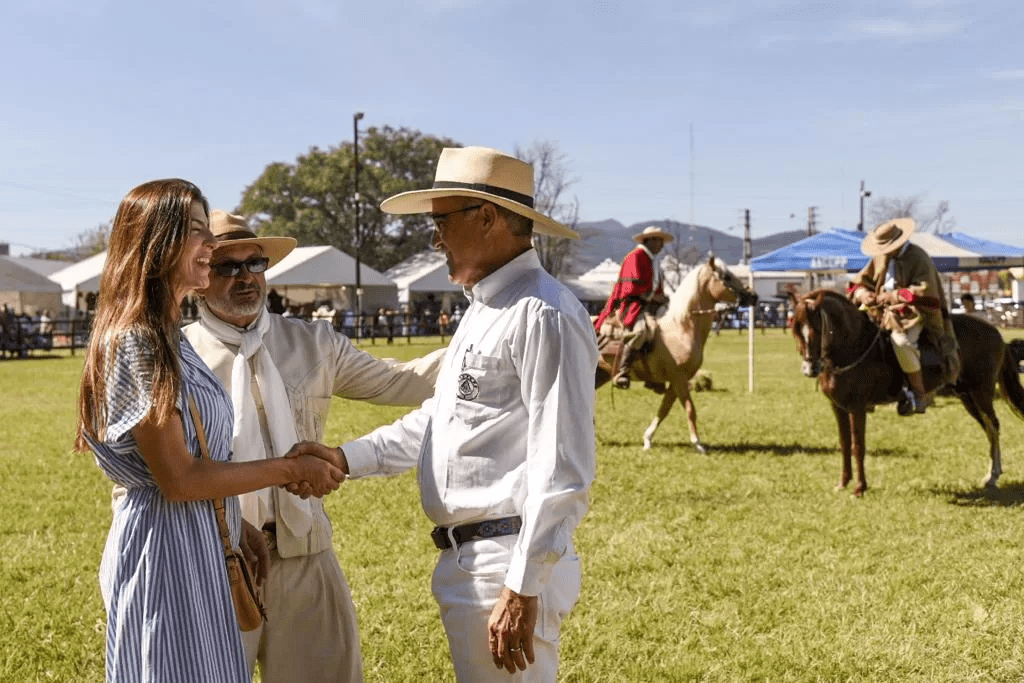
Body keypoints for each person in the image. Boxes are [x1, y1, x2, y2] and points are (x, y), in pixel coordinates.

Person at [314, 146, 597, 681]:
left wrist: (522, 584)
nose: (434, 237)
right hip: (476, 561)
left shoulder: (542, 313)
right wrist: (344, 458)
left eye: (439, 221)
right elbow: (442, 422)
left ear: (486, 217)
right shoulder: (486, 307)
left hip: (503, 561)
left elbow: (564, 465)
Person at [75, 179, 344, 682]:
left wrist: (232, 524)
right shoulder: (138, 340)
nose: (210, 246)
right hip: (167, 550)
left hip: (195, 538)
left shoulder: (165, 337)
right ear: (159, 243)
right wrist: (289, 467)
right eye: (198, 233)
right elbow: (178, 478)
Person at [183, 210, 443, 683]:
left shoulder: (314, 342)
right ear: (199, 276)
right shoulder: (178, 358)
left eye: (255, 264)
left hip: (305, 549)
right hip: (213, 557)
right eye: (227, 266)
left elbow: (402, 381)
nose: (245, 278)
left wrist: (490, 350)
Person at [847, 217, 960, 414]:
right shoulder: (880, 257)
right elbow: (858, 282)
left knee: (901, 342)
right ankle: (867, 392)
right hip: (880, 312)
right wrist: (863, 294)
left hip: (913, 313)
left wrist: (894, 295)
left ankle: (920, 393)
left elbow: (924, 291)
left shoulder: (918, 257)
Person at [593, 225, 673, 388]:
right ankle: (623, 370)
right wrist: (652, 297)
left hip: (650, 305)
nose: (660, 244)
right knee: (640, 331)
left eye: (661, 241)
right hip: (631, 304)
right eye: (657, 240)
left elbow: (656, 286)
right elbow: (630, 288)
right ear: (648, 241)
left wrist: (662, 298)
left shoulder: (653, 261)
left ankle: (654, 375)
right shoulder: (635, 256)